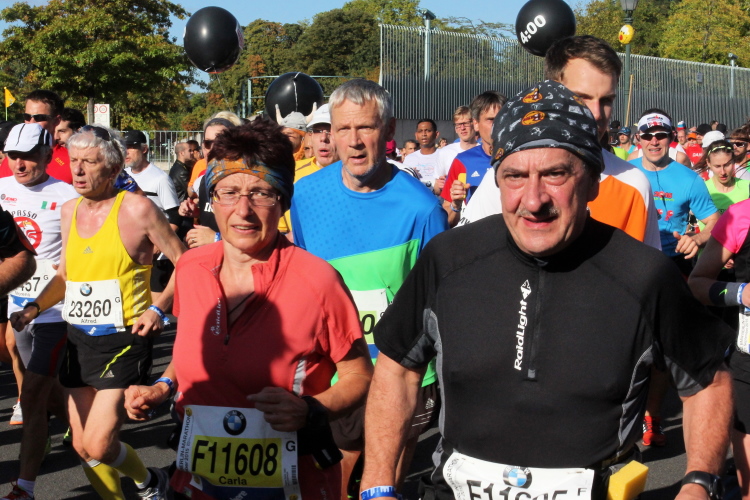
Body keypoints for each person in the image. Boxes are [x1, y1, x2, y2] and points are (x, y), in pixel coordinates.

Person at [361, 80, 734, 500]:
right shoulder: (449, 259)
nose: (534, 199)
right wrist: (377, 485)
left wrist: (699, 482)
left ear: (593, 182)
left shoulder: (643, 274)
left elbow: (709, 381)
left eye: (555, 174)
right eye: (515, 176)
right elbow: (397, 368)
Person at [124, 118, 373, 500]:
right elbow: (195, 347)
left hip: (291, 486)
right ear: (212, 198)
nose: (243, 210)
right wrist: (162, 386)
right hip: (196, 483)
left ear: (283, 200)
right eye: (228, 192)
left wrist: (311, 410)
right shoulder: (190, 268)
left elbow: (360, 375)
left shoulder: (318, 281)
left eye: (261, 193)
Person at [290, 79, 449, 498]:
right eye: (343, 129)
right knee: (330, 483)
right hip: (334, 367)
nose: (354, 141)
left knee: (382, 486)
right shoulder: (305, 195)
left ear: (389, 129)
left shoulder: (423, 209)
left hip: (401, 373)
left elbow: (438, 306)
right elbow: (302, 280)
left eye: (366, 127)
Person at [9, 124, 185, 500]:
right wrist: (34, 308)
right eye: (74, 160)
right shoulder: (69, 210)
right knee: (83, 445)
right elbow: (65, 276)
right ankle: (143, 486)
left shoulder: (137, 208)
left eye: (89, 162)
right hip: (77, 338)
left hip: (123, 338)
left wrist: (158, 308)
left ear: (113, 168)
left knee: (100, 443)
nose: (77, 170)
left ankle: (151, 480)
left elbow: (185, 263)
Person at [459, 35, 660, 251]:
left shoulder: (634, 185)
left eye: (606, 100)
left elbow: (645, 269)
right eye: (580, 97)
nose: (596, 113)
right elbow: (468, 256)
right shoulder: (510, 177)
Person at [0, 123, 78, 500]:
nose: (19, 164)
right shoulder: (1, 188)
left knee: (31, 394)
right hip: (16, 306)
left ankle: (24, 487)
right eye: (13, 156)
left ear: (48, 154)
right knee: (45, 395)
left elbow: (80, 252)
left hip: (53, 310)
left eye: (29, 156)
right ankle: (92, 436)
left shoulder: (68, 195)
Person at [123, 130, 181, 303]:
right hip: (132, 249)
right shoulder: (123, 176)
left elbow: (175, 217)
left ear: (144, 149)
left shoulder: (160, 178)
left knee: (156, 303)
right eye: (124, 147)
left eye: (131, 147)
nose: (126, 152)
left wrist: (159, 244)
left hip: (156, 253)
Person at [440, 92, 506, 227]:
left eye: (502, 118)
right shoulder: (463, 161)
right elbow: (446, 221)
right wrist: (455, 205)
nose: (498, 125)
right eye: (491, 120)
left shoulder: (520, 158)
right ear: (476, 124)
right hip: (479, 236)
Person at [278, 104, 340, 236]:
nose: (323, 138)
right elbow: (280, 231)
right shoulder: (289, 173)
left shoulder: (360, 177)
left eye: (330, 131)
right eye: (317, 131)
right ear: (310, 136)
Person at [0, 90, 71, 184]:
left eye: (39, 118)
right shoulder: (11, 160)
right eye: (27, 117)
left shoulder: (71, 162)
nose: (31, 123)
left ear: (57, 120)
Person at [697, 139, 750, 225]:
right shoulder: (701, 190)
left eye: (727, 165)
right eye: (717, 166)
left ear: (734, 161)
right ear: (708, 163)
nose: (723, 172)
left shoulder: (747, 187)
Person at [435, 106, 478, 181]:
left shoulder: (484, 151)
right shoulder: (445, 152)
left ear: (474, 124)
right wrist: (439, 184)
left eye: (466, 123)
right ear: (455, 129)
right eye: (458, 125)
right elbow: (436, 184)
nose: (462, 128)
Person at [403, 119, 443, 193]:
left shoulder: (444, 155)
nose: (424, 134)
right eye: (420, 131)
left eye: (428, 131)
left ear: (436, 134)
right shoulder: (409, 159)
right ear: (416, 135)